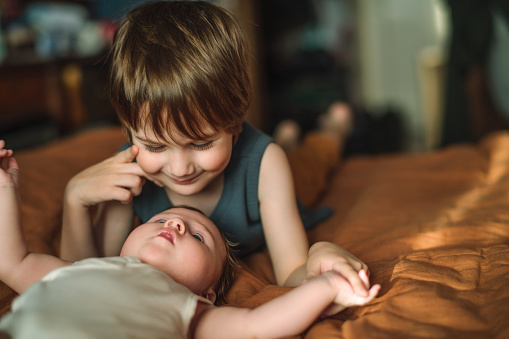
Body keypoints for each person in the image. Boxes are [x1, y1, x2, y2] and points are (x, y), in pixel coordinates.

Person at [60, 0, 372, 296]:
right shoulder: (128, 174)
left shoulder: (265, 165)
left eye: (201, 143)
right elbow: (89, 276)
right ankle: (287, 136)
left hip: (276, 173)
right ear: (128, 130)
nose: (180, 169)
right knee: (286, 150)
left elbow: (293, 274)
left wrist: (321, 260)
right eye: (155, 147)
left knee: (312, 163)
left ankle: (333, 129)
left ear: (236, 124)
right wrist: (75, 200)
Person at [0, 142, 380, 339]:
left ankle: (325, 132)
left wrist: (328, 285)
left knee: (307, 170)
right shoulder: (79, 271)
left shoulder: (188, 310)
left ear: (209, 293)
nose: (176, 225)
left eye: (199, 236)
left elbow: (258, 326)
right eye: (162, 218)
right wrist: (5, 189)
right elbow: (11, 262)